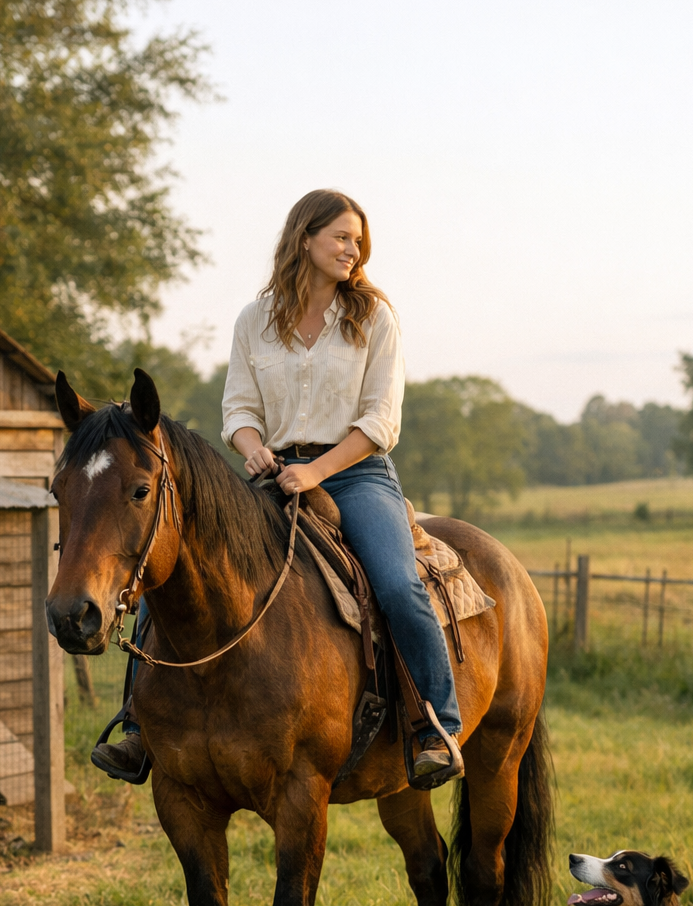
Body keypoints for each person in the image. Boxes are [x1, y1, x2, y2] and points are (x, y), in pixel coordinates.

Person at [93, 188, 463, 785]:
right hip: (271, 471)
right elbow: (238, 408)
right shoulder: (254, 321)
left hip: (355, 473)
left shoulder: (373, 318)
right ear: (305, 238)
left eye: (358, 240)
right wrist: (253, 449)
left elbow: (380, 421)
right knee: (174, 566)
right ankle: (138, 728)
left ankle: (436, 728)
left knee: (397, 584)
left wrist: (316, 471)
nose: (353, 249)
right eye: (342, 236)